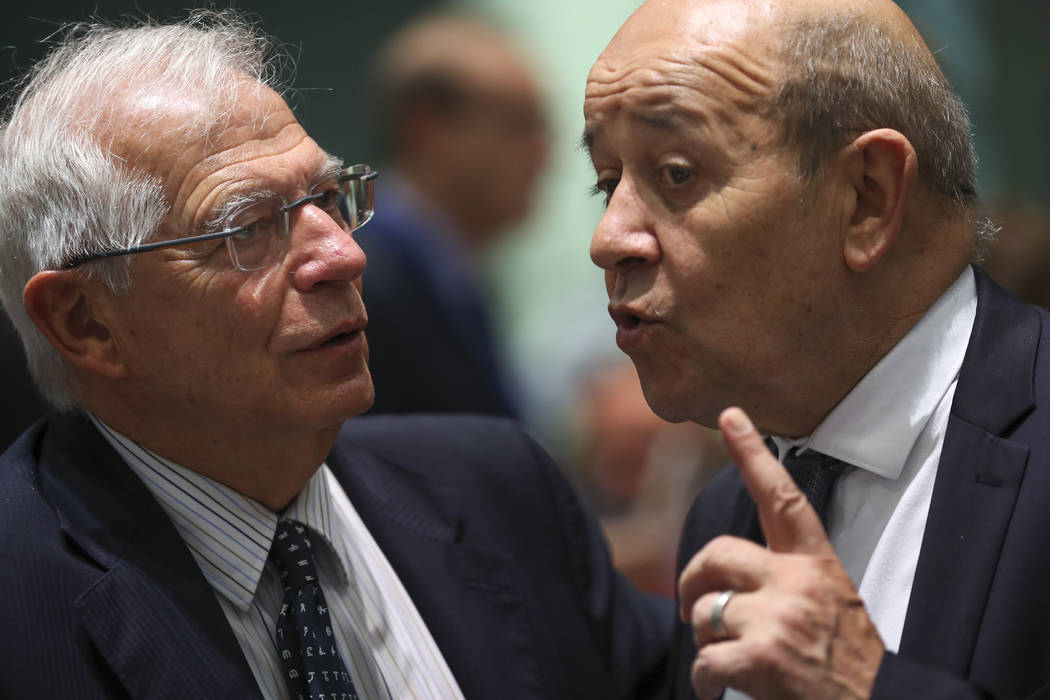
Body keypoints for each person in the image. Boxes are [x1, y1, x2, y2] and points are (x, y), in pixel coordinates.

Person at [0, 13, 671, 699]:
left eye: (327, 198)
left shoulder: (500, 486)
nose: (346, 255)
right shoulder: (18, 605)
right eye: (248, 227)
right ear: (85, 323)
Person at [584, 0, 1050, 698]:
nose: (608, 239)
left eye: (677, 172)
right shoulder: (726, 510)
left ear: (866, 197)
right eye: (606, 181)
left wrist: (864, 687)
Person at [357, 12, 550, 418]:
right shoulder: (362, 284)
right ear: (430, 129)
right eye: (518, 125)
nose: (542, 154)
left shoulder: (453, 271)